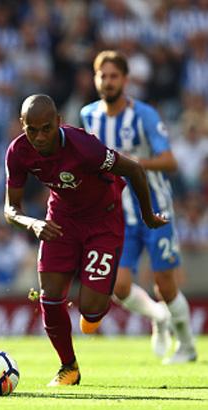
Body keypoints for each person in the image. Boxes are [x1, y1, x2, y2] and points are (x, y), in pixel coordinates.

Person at [4, 94, 167, 386]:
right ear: (22, 125)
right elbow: (10, 209)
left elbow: (134, 170)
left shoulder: (84, 148)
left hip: (103, 222)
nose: (39, 137)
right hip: (61, 222)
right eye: (32, 129)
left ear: (58, 122)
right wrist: (33, 224)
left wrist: (148, 216)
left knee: (90, 314)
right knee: (50, 297)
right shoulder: (17, 152)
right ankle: (69, 367)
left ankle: (94, 308)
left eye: (46, 128)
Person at [81, 50, 198, 364]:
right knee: (119, 286)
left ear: (125, 80)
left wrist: (129, 163)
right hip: (118, 214)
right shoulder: (88, 116)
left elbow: (170, 160)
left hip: (156, 211)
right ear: (95, 79)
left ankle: (186, 347)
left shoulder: (144, 115)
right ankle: (159, 318)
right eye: (102, 76)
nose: (107, 82)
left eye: (113, 76)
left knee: (166, 286)